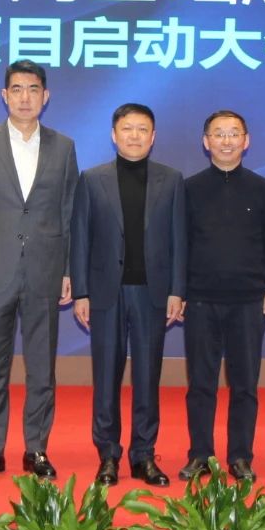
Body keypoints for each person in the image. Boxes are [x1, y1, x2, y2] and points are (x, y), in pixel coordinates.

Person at [0, 60, 78, 480]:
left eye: (33, 89)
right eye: (17, 89)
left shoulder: (64, 146)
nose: (25, 97)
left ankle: (36, 449)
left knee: (42, 368)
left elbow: (68, 213)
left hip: (45, 269)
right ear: (4, 95)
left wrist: (68, 270)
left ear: (46, 96)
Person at [70, 103, 185, 487]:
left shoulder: (171, 180)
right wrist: (81, 291)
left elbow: (180, 241)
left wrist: (177, 290)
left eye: (142, 129)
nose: (134, 136)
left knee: (148, 376)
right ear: (113, 134)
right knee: (106, 376)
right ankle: (108, 455)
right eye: (127, 128)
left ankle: (143, 455)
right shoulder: (92, 179)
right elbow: (80, 238)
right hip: (106, 293)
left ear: (153, 137)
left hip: (152, 293)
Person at [179, 110, 265, 483]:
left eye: (234, 133)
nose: (226, 141)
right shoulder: (189, 189)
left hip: (248, 301)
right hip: (200, 300)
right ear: (206, 141)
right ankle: (200, 454)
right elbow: (180, 245)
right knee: (201, 383)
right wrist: (180, 292)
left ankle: (241, 456)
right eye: (218, 133)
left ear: (246, 140)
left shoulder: (262, 188)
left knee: (245, 384)